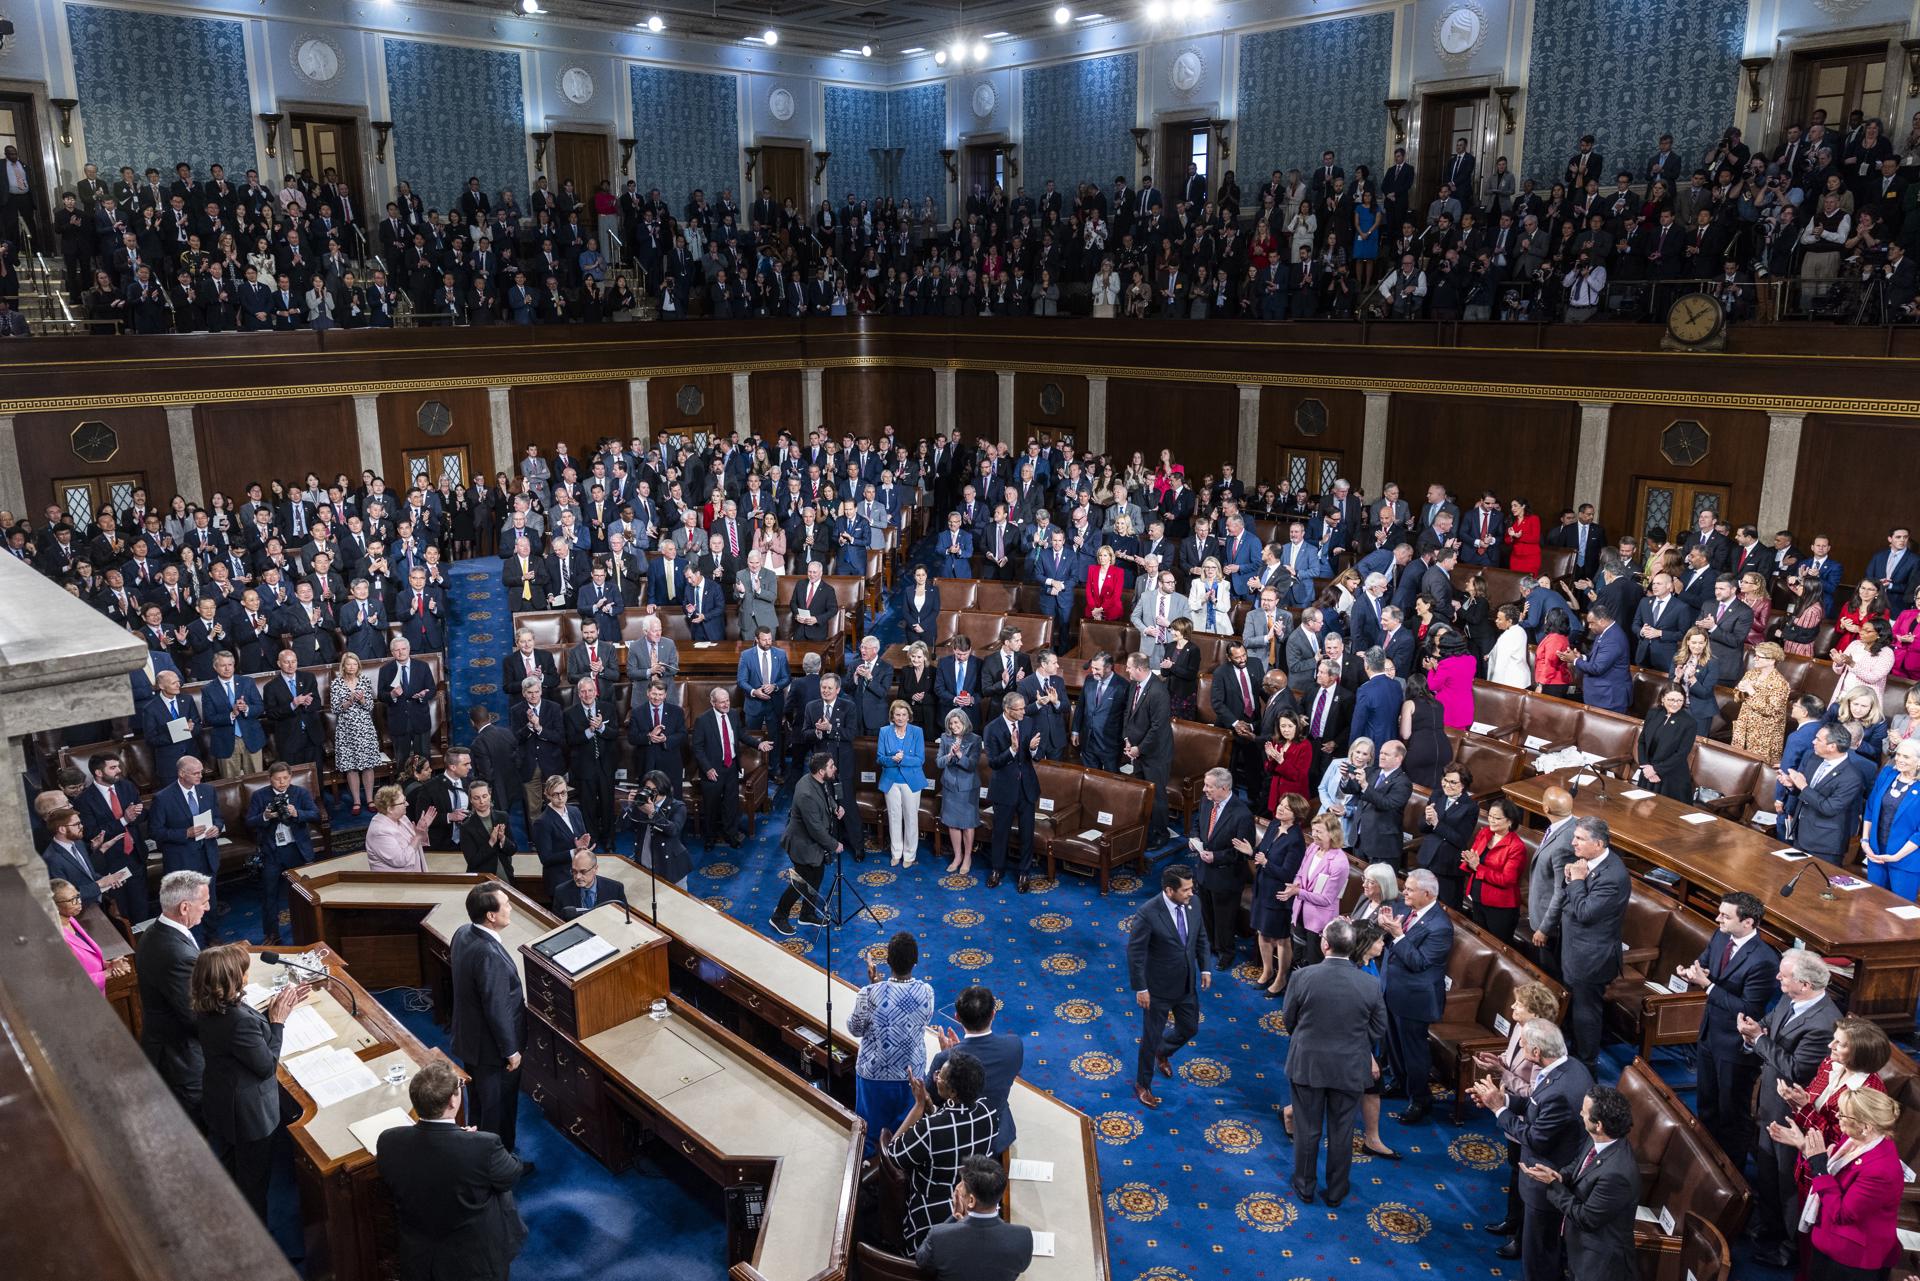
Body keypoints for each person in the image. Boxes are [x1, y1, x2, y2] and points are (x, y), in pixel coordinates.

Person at [376, 1059, 529, 1281]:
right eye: (459, 1087)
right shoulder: (483, 1146)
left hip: (419, 1256)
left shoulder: (389, 1140)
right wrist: (470, 1140)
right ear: (452, 1102)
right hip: (473, 1261)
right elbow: (512, 1173)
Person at [1471, 1019, 1595, 1276]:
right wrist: (1502, 1099)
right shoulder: (1569, 1067)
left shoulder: (1559, 1090)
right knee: (1536, 1246)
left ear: (1537, 1052)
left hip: (1545, 1179)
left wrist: (1498, 1109)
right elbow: (1533, 1107)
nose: (1521, 1046)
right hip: (1546, 1172)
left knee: (1538, 1255)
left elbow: (1535, 1137)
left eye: (1524, 1044)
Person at [194, 942, 306, 1222]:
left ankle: (232, 1214)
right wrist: (278, 1022)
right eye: (243, 971)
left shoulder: (210, 1006)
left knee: (232, 1167)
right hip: (248, 1114)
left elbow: (241, 1041)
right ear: (232, 979)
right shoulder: (237, 1021)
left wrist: (271, 1013)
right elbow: (266, 1066)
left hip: (221, 1100)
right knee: (254, 1183)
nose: (247, 974)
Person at [1283, 917, 1387, 1208]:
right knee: (1342, 1132)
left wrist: (1310, 1039)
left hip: (1308, 1065)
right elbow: (1379, 1027)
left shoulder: (1303, 977)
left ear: (1324, 944)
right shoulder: (1370, 984)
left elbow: (1289, 1020)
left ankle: (1304, 1187)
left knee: (1307, 1129)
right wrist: (1355, 1043)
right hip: (1350, 1068)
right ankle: (1336, 1191)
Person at [1674, 892, 1779, 1175]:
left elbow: (1747, 1007)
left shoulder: (1764, 960)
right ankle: (1706, 1163)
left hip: (1736, 1046)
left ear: (1748, 923)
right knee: (1707, 1103)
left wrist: (1707, 986)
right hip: (1709, 1034)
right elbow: (1705, 961)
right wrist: (1691, 972)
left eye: (1725, 915)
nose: (1717, 918)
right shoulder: (1721, 936)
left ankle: (1731, 1174)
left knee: (1732, 1113)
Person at [1471, 981, 1563, 1253]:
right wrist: (1497, 1063)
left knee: (1525, 1178)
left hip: (1530, 1120)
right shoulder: (1519, 1029)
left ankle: (1521, 1240)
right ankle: (1512, 1222)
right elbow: (1512, 1062)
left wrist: (1505, 1076)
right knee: (1514, 1172)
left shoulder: (1545, 1044)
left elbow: (1538, 1091)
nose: (1512, 1007)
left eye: (1518, 1004)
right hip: (1513, 1113)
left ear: (1534, 1011)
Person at [884, 1051, 997, 1251]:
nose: (936, 1077)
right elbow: (957, 1126)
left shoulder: (930, 1128)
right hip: (974, 1203)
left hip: (932, 1213)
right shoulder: (988, 1111)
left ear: (953, 1092)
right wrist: (930, 1108)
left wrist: (918, 1107)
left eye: (940, 1076)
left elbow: (892, 1154)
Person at [1527, 1086, 1642, 1281]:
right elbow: (1578, 1166)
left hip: (1597, 1262)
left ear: (1599, 1125)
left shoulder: (1617, 1174)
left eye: (1584, 1111)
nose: (1580, 1113)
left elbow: (1586, 1218)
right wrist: (1560, 1176)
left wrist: (1553, 1184)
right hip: (1577, 1245)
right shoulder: (1599, 1140)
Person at [451, 882, 530, 1163]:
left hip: (470, 1041)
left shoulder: (463, 933)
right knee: (498, 1110)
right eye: (506, 904)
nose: (510, 908)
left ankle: (481, 1158)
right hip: (493, 1051)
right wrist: (511, 1051)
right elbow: (496, 1007)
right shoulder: (489, 953)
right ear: (491, 916)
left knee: (481, 1107)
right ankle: (500, 1164)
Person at [1127, 864, 1211, 1109]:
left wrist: (1205, 967)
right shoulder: (1148, 913)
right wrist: (1140, 988)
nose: (1190, 893)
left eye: (1191, 887)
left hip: (1186, 984)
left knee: (1190, 1028)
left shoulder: (1194, 904)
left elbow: (1201, 936)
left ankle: (1163, 1052)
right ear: (1169, 890)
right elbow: (1135, 953)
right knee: (1150, 1038)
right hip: (1157, 990)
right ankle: (1143, 1084)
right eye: (1185, 890)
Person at [848, 930, 936, 1157]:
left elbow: (855, 1029)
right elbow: (920, 1019)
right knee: (905, 1136)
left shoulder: (869, 993)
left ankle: (865, 1176)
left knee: (869, 1133)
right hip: (911, 1077)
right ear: (915, 961)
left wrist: (873, 989)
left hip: (873, 1077)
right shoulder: (927, 992)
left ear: (887, 961)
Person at [1379, 867, 1453, 1123]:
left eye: (1409, 889)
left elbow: (1419, 962)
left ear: (1427, 893)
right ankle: (1400, 1083)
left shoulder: (1440, 926)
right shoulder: (1405, 909)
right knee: (1394, 1046)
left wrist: (1397, 935)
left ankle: (1420, 1099)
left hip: (1415, 999)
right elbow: (1392, 946)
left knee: (1414, 1053)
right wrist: (1386, 930)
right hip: (1392, 989)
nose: (1404, 893)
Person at [137, 870, 211, 1120]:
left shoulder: (155, 931)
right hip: (181, 1058)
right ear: (184, 907)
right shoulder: (176, 954)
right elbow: (194, 1016)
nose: (208, 908)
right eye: (204, 903)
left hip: (165, 1045)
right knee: (199, 1123)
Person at [1558, 818, 1628, 1072]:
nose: (1573, 842)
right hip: (1575, 950)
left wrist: (1576, 881)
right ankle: (1571, 1053)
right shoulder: (1588, 863)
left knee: (1586, 1013)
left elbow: (1586, 912)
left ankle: (1586, 1065)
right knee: (1575, 1008)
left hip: (1592, 957)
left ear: (1598, 843)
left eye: (1579, 838)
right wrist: (1572, 878)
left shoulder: (1613, 875)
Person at [927, 984, 1024, 1155]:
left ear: (957, 1017)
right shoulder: (1014, 1046)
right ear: (993, 1014)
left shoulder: (944, 1059)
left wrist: (949, 1061)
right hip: (999, 1134)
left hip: (958, 1136)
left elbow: (934, 1098)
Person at [911, 1154, 1034, 1281]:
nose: (958, 1188)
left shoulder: (938, 1237)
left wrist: (953, 1219)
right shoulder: (1023, 1237)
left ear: (971, 1200)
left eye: (962, 1185)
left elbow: (921, 1261)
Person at [246, 760, 321, 944]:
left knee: (304, 891)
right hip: (271, 851)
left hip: (296, 849)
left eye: (285, 778)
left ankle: (310, 929)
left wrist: (297, 813)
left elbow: (315, 814)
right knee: (269, 894)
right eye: (278, 779)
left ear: (290, 777)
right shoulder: (259, 796)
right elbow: (249, 821)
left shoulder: (300, 793)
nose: (282, 782)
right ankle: (272, 934)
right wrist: (265, 816)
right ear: (270, 779)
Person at [1190, 767, 1253, 970]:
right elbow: (1197, 824)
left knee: (1224, 919)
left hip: (1227, 876)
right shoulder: (1207, 802)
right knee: (1206, 913)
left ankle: (1226, 952)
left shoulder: (1242, 814)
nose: (1204, 790)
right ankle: (1210, 945)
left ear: (1224, 788)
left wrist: (1216, 857)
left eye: (1209, 786)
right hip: (1204, 871)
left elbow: (1242, 852)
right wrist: (1194, 839)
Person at [1246, 793, 1309, 995]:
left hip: (1278, 894)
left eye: (1286, 808)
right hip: (1262, 887)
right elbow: (1263, 851)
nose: (1280, 808)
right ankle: (1267, 971)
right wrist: (1251, 851)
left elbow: (1287, 873)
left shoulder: (1296, 840)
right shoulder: (1274, 825)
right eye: (1281, 804)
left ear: (1296, 814)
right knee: (1261, 932)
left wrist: (1266, 863)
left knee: (1280, 938)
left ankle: (1281, 977)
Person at [770, 751, 838, 935]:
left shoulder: (816, 780)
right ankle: (778, 916)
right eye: (832, 766)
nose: (835, 768)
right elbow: (815, 829)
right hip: (802, 845)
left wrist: (835, 808)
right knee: (800, 882)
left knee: (817, 876)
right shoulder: (807, 793)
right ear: (821, 771)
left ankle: (806, 914)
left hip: (810, 845)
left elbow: (826, 796)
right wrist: (834, 845)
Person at [984, 691, 1041, 891]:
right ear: (1008, 710)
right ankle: (997, 870)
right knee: (1000, 833)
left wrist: (1033, 749)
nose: (1024, 712)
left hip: (1027, 788)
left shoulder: (1028, 723)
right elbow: (993, 762)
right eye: (1020, 709)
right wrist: (1012, 750)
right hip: (1004, 789)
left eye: (1024, 707)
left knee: (1027, 834)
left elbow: (1037, 755)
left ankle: (1024, 873)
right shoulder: (992, 729)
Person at [1291, 810, 1352, 979]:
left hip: (1318, 920)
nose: (1314, 835)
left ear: (1332, 834)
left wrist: (1299, 892)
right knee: (1297, 956)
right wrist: (1297, 883)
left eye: (1319, 832)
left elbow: (1326, 899)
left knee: (1312, 963)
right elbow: (1301, 872)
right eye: (1313, 830)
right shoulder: (1312, 847)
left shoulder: (1339, 862)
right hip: (1300, 912)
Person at [1463, 796, 1528, 945]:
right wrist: (1468, 861)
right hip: (1478, 897)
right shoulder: (1485, 833)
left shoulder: (1516, 847)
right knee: (1479, 941)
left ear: (1510, 821)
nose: (1491, 820)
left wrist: (1477, 867)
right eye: (1490, 816)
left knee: (1497, 946)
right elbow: (1474, 859)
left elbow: (1507, 880)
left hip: (1500, 907)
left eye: (1497, 818)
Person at [1861, 738, 1920, 898]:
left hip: (1905, 861)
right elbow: (1871, 809)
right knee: (1872, 903)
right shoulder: (1887, 774)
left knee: (1898, 910)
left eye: (1906, 757)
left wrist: (1895, 857)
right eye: (1899, 755)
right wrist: (1865, 841)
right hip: (1876, 853)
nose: (1900, 759)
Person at [1416, 764, 1479, 909]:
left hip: (1448, 865)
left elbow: (1460, 839)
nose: (1447, 785)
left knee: (1446, 908)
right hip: (1427, 858)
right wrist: (1427, 819)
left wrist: (1437, 824)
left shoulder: (1470, 807)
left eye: (1453, 782)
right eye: (1445, 779)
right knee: (1421, 903)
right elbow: (1422, 827)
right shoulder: (1437, 795)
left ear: (1463, 785)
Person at [51, 878, 130, 992]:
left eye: (78, 896)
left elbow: (84, 963)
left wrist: (108, 965)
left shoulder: (71, 920)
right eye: (72, 899)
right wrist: (108, 973)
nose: (79, 901)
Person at [330, 651, 381, 814]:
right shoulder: (336, 683)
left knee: (367, 766)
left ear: (358, 666)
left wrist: (362, 700)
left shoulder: (364, 680)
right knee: (350, 766)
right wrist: (350, 699)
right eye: (349, 664)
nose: (352, 667)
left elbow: (370, 707)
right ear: (343, 666)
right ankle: (357, 802)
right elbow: (335, 709)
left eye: (354, 664)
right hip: (346, 730)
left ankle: (370, 799)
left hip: (364, 728)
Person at [878, 700, 928, 868]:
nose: (900, 718)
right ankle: (896, 853)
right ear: (892, 716)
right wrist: (892, 759)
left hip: (911, 782)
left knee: (911, 818)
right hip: (891, 781)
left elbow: (920, 759)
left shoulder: (917, 732)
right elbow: (880, 758)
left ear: (909, 716)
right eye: (897, 714)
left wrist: (903, 759)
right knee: (894, 817)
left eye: (903, 714)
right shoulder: (884, 732)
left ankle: (909, 854)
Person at [934, 709, 982, 877]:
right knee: (952, 823)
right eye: (951, 723)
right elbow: (939, 763)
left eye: (956, 722)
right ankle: (957, 856)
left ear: (964, 722)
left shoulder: (975, 739)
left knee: (967, 824)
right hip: (949, 786)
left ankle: (967, 857)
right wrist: (949, 755)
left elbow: (972, 765)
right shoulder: (945, 738)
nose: (953, 726)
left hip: (968, 787)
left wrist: (960, 754)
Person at [1633, 684, 1697, 800]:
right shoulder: (1653, 713)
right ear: (1662, 698)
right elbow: (1642, 741)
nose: (1675, 704)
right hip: (1648, 773)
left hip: (1671, 777)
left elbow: (1681, 754)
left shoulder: (1689, 723)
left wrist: (1656, 770)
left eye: (1679, 700)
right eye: (1671, 699)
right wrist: (1645, 766)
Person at [1733, 642, 1793, 761]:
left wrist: (1752, 692)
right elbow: (1737, 698)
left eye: (1759, 657)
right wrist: (1740, 690)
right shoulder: (1751, 673)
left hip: (1764, 736)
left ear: (1771, 660)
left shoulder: (1780, 684)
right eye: (1755, 655)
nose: (1755, 658)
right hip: (1743, 728)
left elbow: (1770, 710)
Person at [366, 783, 434, 873]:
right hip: (395, 883)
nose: (407, 804)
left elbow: (417, 843)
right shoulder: (380, 831)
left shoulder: (402, 818)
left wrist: (422, 830)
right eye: (403, 802)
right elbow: (400, 860)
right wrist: (417, 836)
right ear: (390, 809)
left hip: (413, 875)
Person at [459, 781, 516, 877]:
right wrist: (491, 842)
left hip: (506, 874)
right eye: (476, 798)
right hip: (483, 878)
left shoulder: (502, 816)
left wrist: (502, 839)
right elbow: (472, 862)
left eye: (484, 796)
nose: (482, 801)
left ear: (490, 795)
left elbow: (513, 850)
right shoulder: (466, 827)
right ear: (471, 800)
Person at [552, 849, 628, 919]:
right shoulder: (561, 891)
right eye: (574, 871)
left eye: (583, 872)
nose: (578, 876)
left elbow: (623, 919)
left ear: (595, 869)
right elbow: (557, 923)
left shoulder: (615, 889)